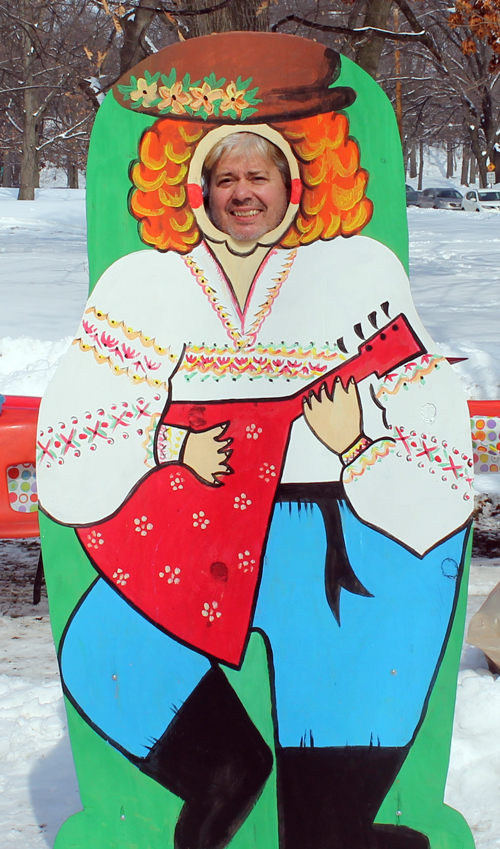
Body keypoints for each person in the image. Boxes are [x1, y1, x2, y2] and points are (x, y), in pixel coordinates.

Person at [37, 39, 473, 849]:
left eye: (258, 176)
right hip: (194, 531)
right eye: (225, 178)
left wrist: (359, 450)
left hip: (339, 542)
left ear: (294, 185)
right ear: (196, 191)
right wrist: (168, 441)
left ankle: (339, 819)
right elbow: (76, 440)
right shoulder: (148, 289)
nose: (243, 194)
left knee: (325, 811)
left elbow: (435, 443)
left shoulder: (359, 278)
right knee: (105, 653)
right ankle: (224, 778)